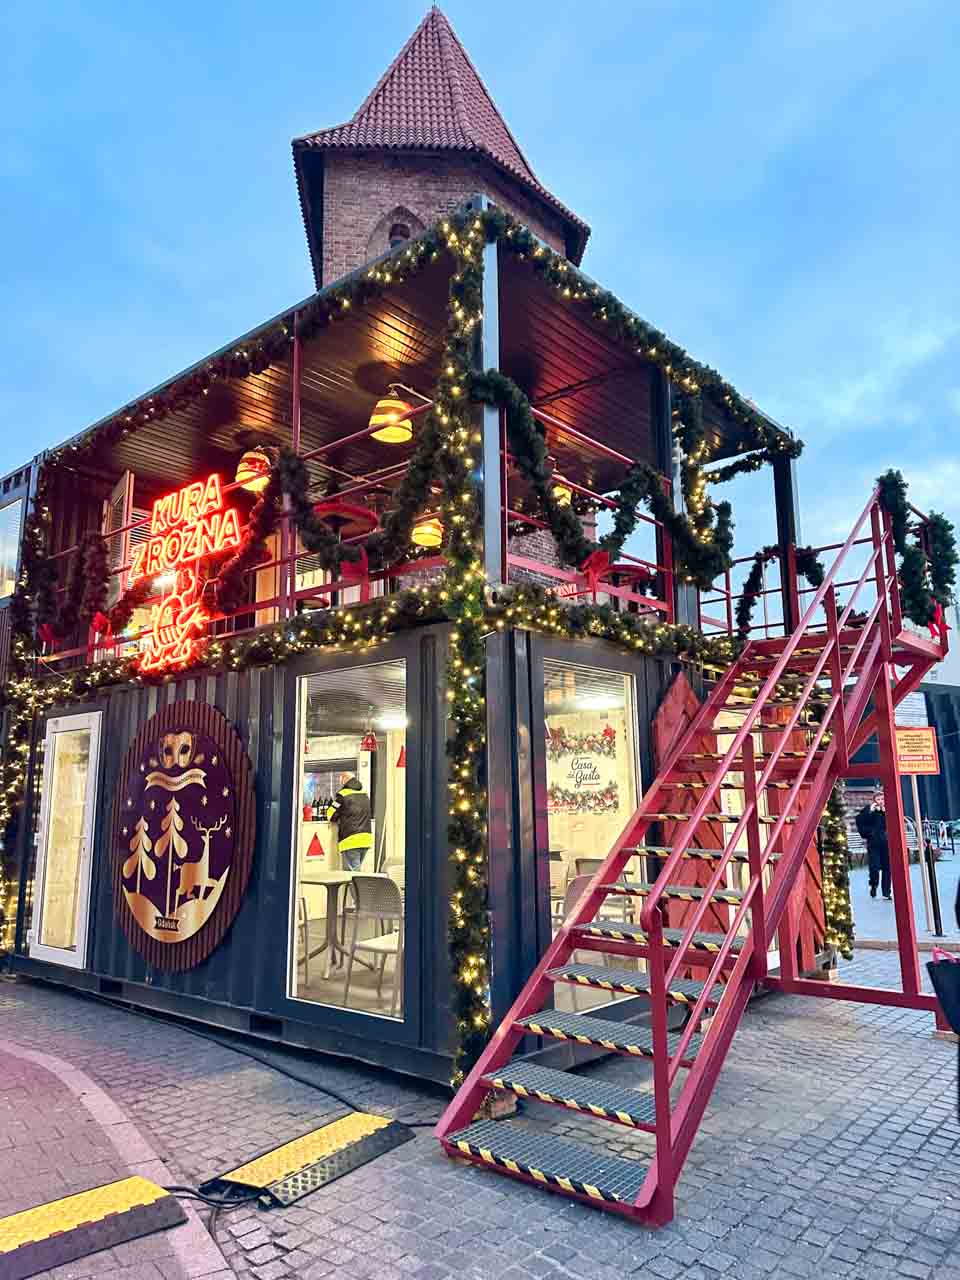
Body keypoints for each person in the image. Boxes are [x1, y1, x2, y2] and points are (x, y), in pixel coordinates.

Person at [325, 775, 372, 872]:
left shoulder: (342, 795)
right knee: (356, 870)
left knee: (351, 875)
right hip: (366, 839)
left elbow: (331, 814)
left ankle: (356, 887)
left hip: (350, 840)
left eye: (341, 779)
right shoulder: (364, 794)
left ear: (345, 779)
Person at [856, 789, 891, 901]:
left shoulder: (887, 810)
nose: (881, 801)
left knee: (887, 868)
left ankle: (886, 892)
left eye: (882, 799)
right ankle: (874, 886)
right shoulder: (868, 810)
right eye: (878, 799)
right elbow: (860, 821)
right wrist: (870, 812)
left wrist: (885, 812)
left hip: (886, 843)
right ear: (874, 800)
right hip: (873, 843)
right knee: (874, 867)